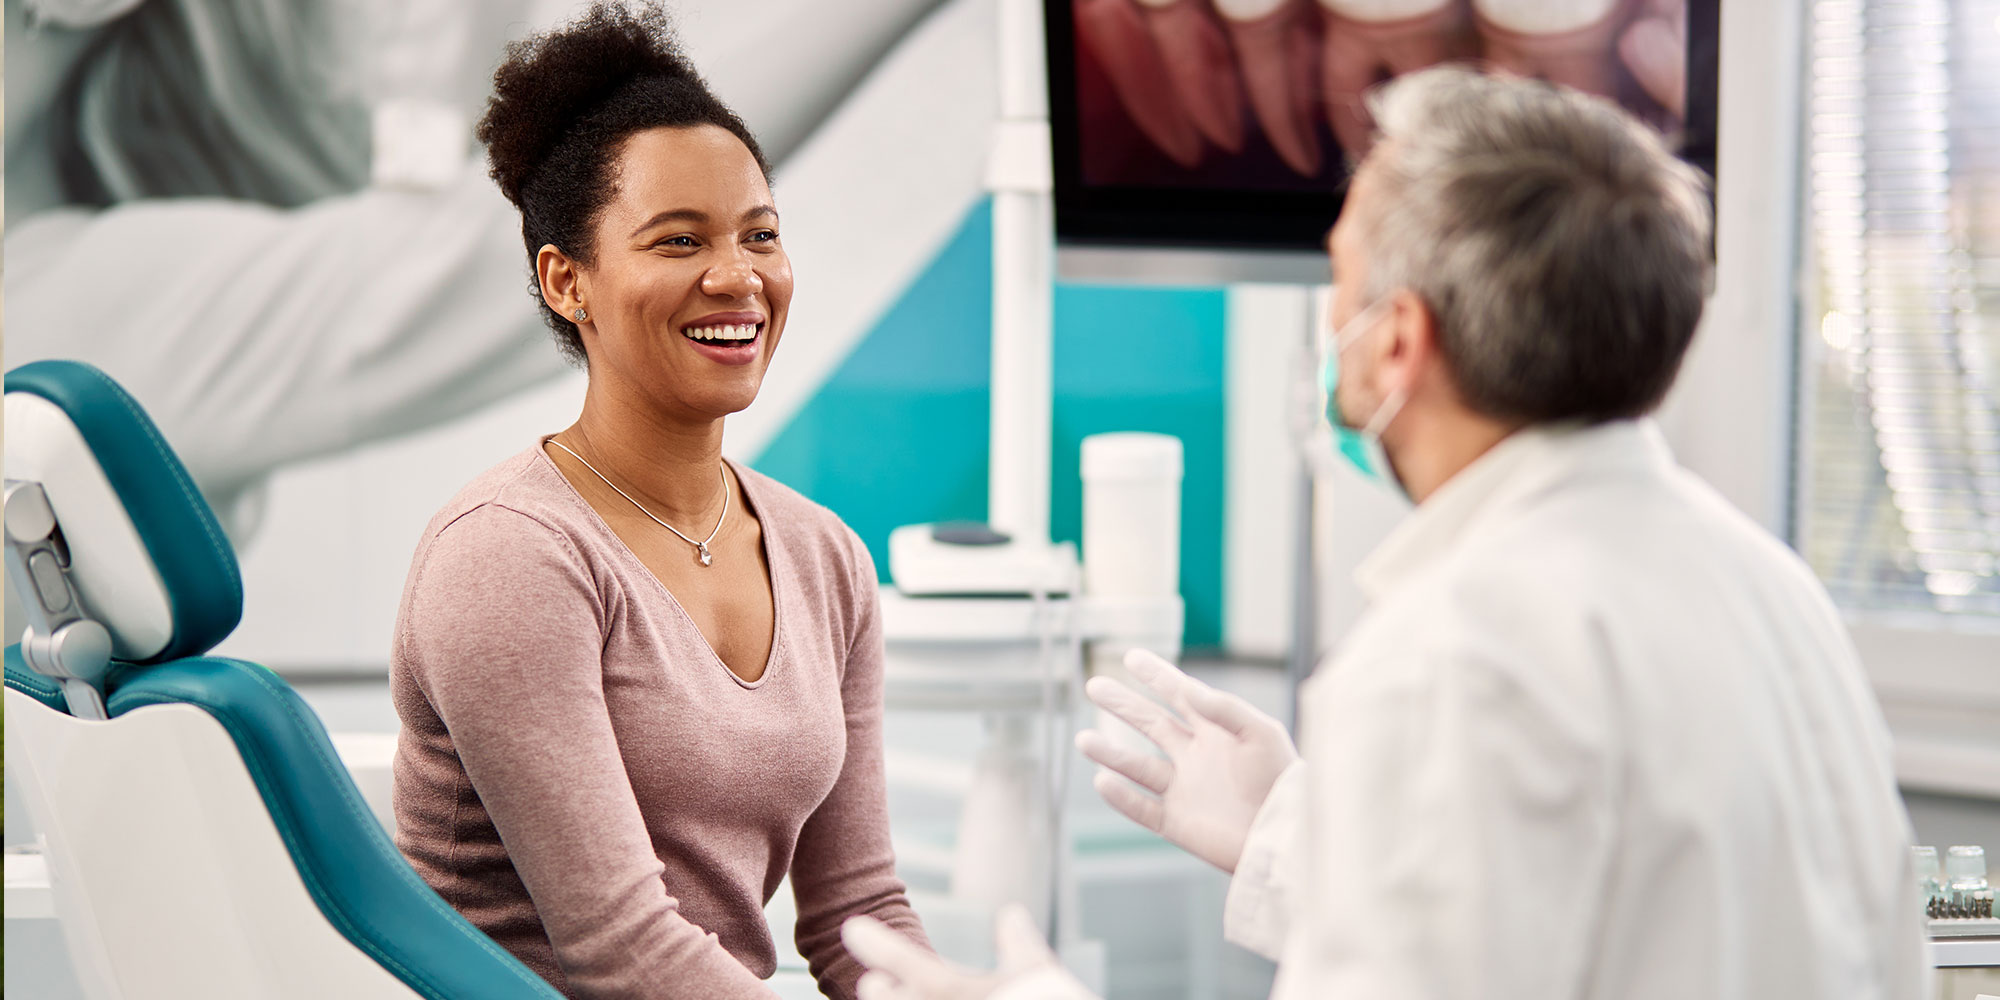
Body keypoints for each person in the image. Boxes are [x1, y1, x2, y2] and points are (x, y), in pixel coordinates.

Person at [840, 67, 1930, 1000]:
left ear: (1397, 339)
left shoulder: (1448, 657)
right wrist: (1288, 833)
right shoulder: (1775, 594)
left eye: (1341, 280)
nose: (1330, 324)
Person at [388, 5, 929, 998]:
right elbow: (621, 951)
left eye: (758, 234)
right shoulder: (509, 553)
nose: (737, 277)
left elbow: (861, 916)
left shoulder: (823, 555)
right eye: (678, 242)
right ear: (567, 282)